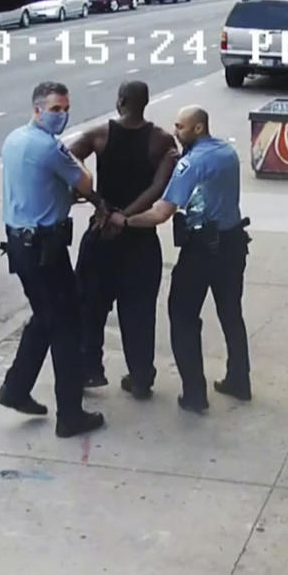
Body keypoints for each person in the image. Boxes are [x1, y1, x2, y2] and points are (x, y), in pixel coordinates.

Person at [102, 105, 251, 413]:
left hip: (201, 251)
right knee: (231, 313)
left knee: (182, 317)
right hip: (233, 244)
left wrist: (124, 220)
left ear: (198, 128)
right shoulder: (226, 153)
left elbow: (162, 212)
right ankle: (239, 379)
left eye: (181, 127)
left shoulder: (192, 163)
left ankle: (194, 393)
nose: (175, 132)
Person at [0, 81, 105, 437]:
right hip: (45, 252)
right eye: (55, 109)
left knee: (45, 317)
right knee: (66, 328)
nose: (62, 115)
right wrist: (69, 157)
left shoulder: (14, 139)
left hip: (21, 247)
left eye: (65, 108)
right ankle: (70, 414)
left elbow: (37, 185)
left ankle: (16, 388)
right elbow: (85, 183)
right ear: (37, 109)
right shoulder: (48, 148)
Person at [69, 81, 179, 400]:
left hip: (101, 233)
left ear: (119, 102)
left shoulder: (99, 135)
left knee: (90, 305)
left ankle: (90, 369)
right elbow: (158, 187)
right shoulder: (160, 140)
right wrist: (127, 217)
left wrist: (99, 203)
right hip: (141, 237)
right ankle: (141, 377)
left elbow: (68, 160)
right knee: (139, 313)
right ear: (146, 103)